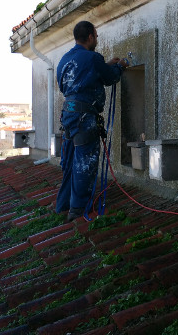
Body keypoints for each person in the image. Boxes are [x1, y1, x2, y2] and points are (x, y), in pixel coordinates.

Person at [55, 20, 128, 221]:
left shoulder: (63, 60)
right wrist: (119, 67)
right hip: (84, 116)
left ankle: (63, 205)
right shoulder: (93, 58)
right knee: (85, 162)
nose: (97, 39)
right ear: (89, 37)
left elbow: (72, 84)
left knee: (69, 161)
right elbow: (110, 78)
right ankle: (78, 211)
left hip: (68, 114)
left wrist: (104, 66)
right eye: (96, 35)